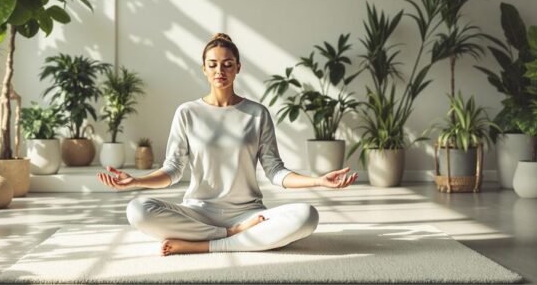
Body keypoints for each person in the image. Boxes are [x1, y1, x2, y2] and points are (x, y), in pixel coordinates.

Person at [97, 33, 358, 256]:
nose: (220, 71)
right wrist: (136, 181)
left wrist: (318, 181)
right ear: (204, 69)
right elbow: (173, 170)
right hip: (198, 213)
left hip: (249, 215)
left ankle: (203, 246)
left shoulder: (257, 113)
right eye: (213, 65)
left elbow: (275, 171)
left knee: (307, 216)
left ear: (238, 67)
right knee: (137, 210)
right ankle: (229, 236)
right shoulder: (187, 112)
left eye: (227, 64)